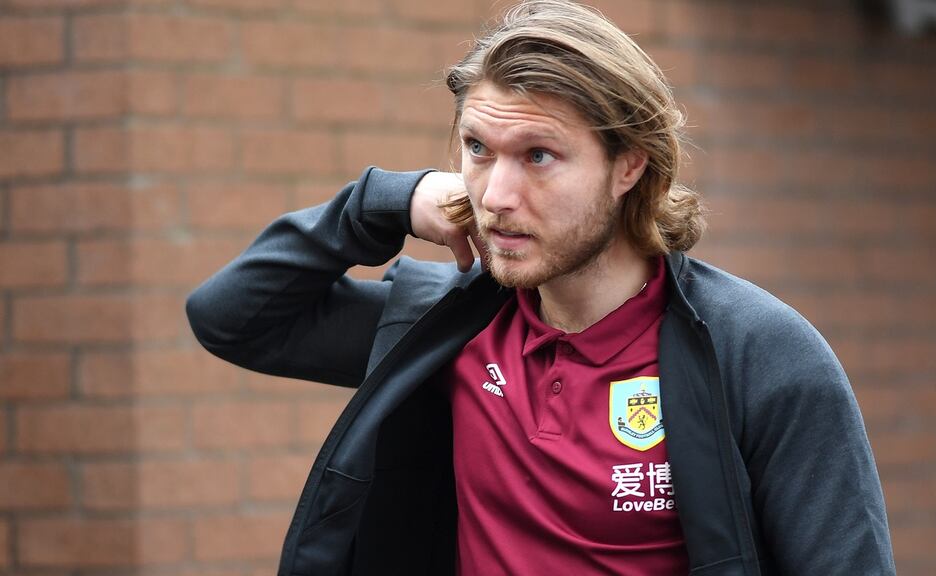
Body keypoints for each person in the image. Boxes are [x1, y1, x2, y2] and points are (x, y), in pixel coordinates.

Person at [186, 1, 896, 574]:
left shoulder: (762, 354)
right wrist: (384, 203)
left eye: (539, 156)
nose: (495, 195)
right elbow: (231, 317)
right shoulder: (443, 329)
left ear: (628, 166)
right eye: (477, 150)